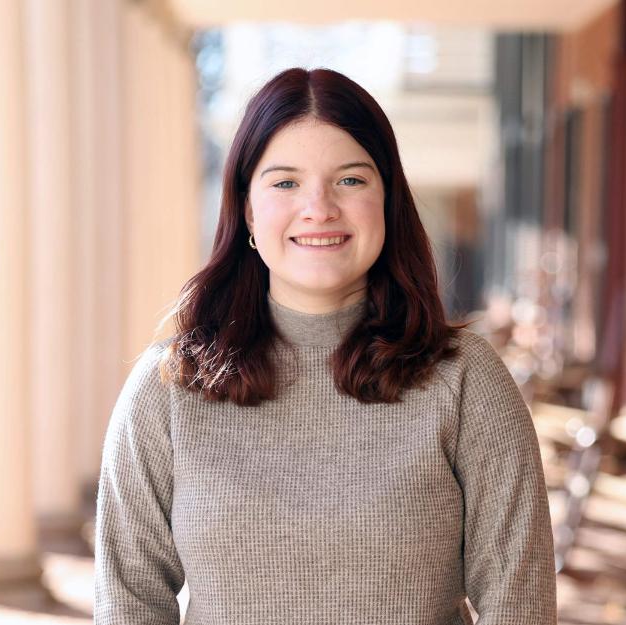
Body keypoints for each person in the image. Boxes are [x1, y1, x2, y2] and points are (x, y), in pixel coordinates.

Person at [94, 67, 557, 625]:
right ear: (246, 207)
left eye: (351, 180)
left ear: (388, 199)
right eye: (285, 182)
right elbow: (129, 604)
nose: (319, 208)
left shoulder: (464, 380)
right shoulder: (169, 385)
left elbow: (519, 603)